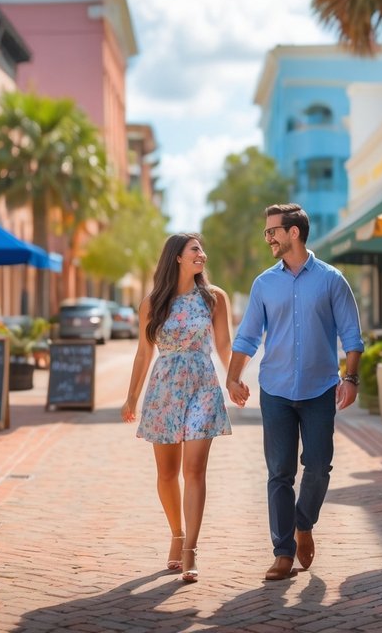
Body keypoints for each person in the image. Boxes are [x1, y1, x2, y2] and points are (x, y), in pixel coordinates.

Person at [226, 203, 363, 581]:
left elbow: (352, 335)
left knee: (318, 467)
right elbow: (248, 335)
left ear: (293, 233)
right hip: (277, 390)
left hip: (320, 389)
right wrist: (233, 376)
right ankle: (282, 552)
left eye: (273, 231)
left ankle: (304, 523)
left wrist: (351, 379)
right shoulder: (264, 284)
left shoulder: (332, 280)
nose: (268, 237)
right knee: (280, 473)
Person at [121, 233, 233, 583]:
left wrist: (234, 379)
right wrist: (131, 397)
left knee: (194, 470)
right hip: (164, 389)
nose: (203, 253)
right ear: (177, 258)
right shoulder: (153, 303)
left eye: (202, 248)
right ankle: (177, 534)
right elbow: (143, 352)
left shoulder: (214, 298)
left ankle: (191, 550)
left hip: (202, 385)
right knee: (167, 474)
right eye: (195, 249)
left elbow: (224, 344)